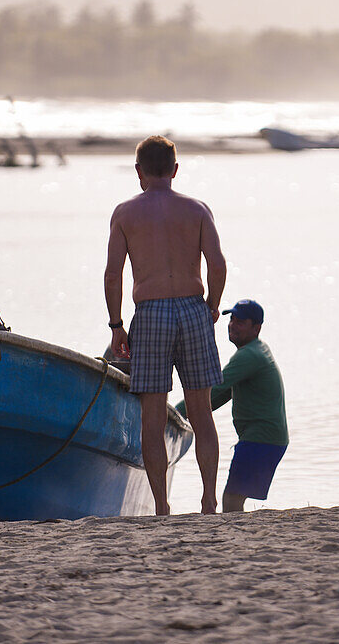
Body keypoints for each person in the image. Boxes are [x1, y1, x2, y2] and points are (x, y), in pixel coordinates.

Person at [104, 135, 226, 515]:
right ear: (174, 170)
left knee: (152, 417)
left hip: (152, 311)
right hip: (192, 308)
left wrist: (116, 325)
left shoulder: (125, 213)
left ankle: (161, 505)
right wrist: (212, 305)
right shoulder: (197, 209)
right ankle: (209, 499)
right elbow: (218, 264)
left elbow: (113, 275)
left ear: (138, 171)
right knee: (202, 412)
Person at [176, 299, 288, 512]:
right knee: (235, 497)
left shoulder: (249, 355)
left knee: (232, 499)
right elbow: (219, 396)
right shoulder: (256, 350)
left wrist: (172, 413)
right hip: (266, 437)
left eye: (240, 322)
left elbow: (215, 388)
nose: (232, 325)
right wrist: (184, 416)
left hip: (261, 438)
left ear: (257, 328)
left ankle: (241, 541)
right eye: (232, 319)